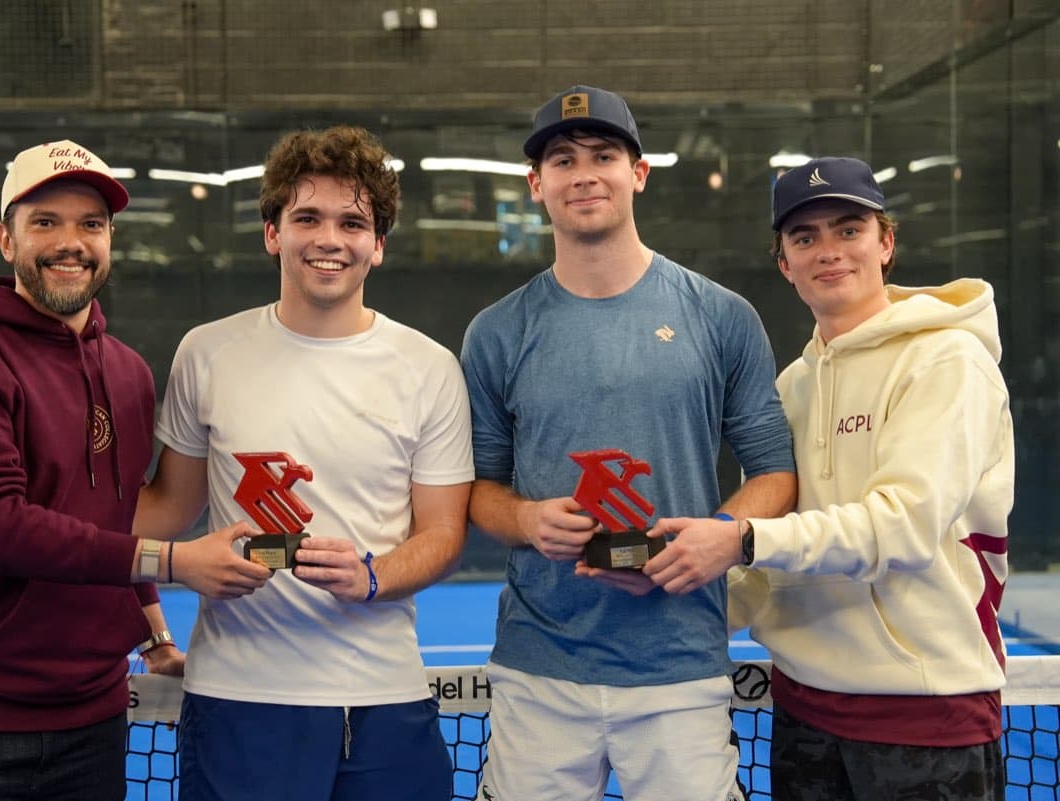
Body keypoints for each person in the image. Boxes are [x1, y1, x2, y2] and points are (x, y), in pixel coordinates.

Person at [0, 139, 270, 801]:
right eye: (45, 222)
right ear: (5, 239)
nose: (70, 242)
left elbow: (108, 520)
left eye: (90, 224)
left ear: (110, 239)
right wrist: (176, 560)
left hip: (90, 719)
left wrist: (155, 633)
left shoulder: (129, 374)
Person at [460, 85, 797, 801]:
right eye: (562, 159)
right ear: (537, 184)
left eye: (604, 154)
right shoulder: (497, 332)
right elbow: (478, 491)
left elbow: (774, 470)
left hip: (679, 666)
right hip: (539, 666)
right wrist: (525, 519)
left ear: (638, 173)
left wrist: (720, 535)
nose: (584, 173)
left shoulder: (721, 317)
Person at [649, 156, 1013, 800]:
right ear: (784, 262)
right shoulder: (792, 387)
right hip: (805, 712)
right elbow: (769, 566)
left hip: (927, 718)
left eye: (849, 229)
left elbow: (902, 527)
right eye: (805, 237)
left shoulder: (948, 360)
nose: (829, 251)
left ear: (886, 243)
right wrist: (666, 579)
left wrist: (738, 540)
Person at [132, 125, 474, 801]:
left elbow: (443, 534)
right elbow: (165, 508)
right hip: (237, 701)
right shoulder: (207, 353)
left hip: (386, 702)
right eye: (307, 217)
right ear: (272, 232)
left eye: (352, 222)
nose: (328, 239)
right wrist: (48, 520)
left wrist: (372, 576)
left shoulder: (430, 368)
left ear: (377, 246)